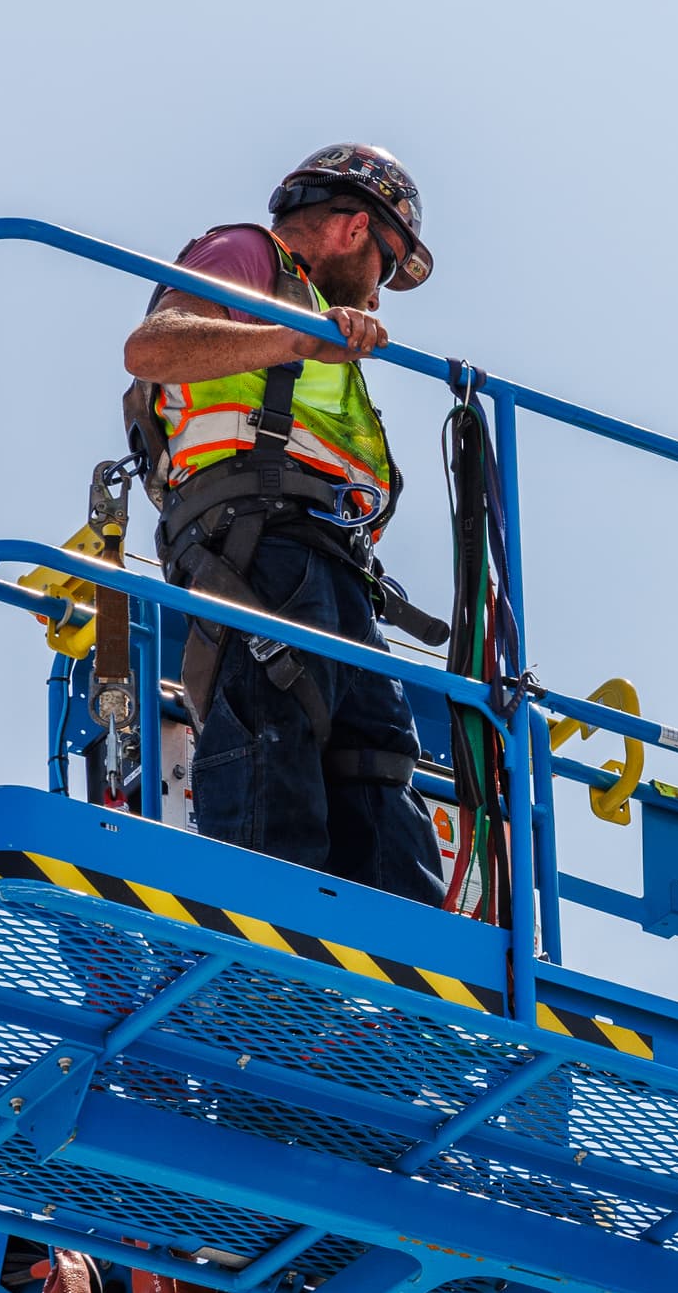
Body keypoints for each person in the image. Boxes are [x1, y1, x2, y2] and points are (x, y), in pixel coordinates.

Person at [123, 144, 447, 900]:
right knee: (272, 762)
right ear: (355, 229)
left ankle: (410, 993)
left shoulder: (321, 321)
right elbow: (152, 347)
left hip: (333, 570)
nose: (380, 296)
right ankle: (265, 986)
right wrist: (295, 335)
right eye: (388, 268)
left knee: (382, 771)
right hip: (255, 554)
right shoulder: (248, 256)